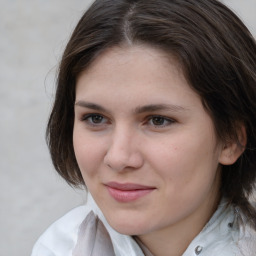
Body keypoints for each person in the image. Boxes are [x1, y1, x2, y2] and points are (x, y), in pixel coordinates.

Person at [31, 0, 256, 255]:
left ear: (231, 140)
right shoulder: (59, 248)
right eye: (95, 118)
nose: (118, 158)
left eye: (158, 120)